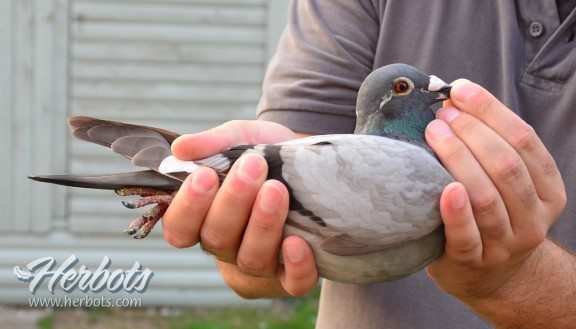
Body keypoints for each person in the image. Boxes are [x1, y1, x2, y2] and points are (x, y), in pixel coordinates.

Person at [161, 1, 576, 328]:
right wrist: (231, 212)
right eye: (405, 88)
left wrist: (514, 280)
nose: (438, 88)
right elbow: (251, 269)